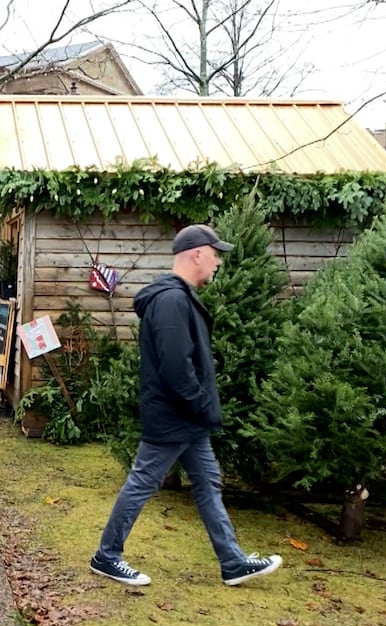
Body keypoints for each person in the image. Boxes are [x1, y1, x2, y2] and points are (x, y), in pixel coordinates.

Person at [89, 224, 283, 587]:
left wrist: (201, 409)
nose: (218, 262)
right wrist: (202, 404)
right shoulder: (171, 300)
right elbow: (177, 367)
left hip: (187, 418)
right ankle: (107, 555)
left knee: (208, 483)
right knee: (143, 481)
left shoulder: (179, 297)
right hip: (174, 415)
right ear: (197, 254)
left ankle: (232, 562)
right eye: (215, 254)